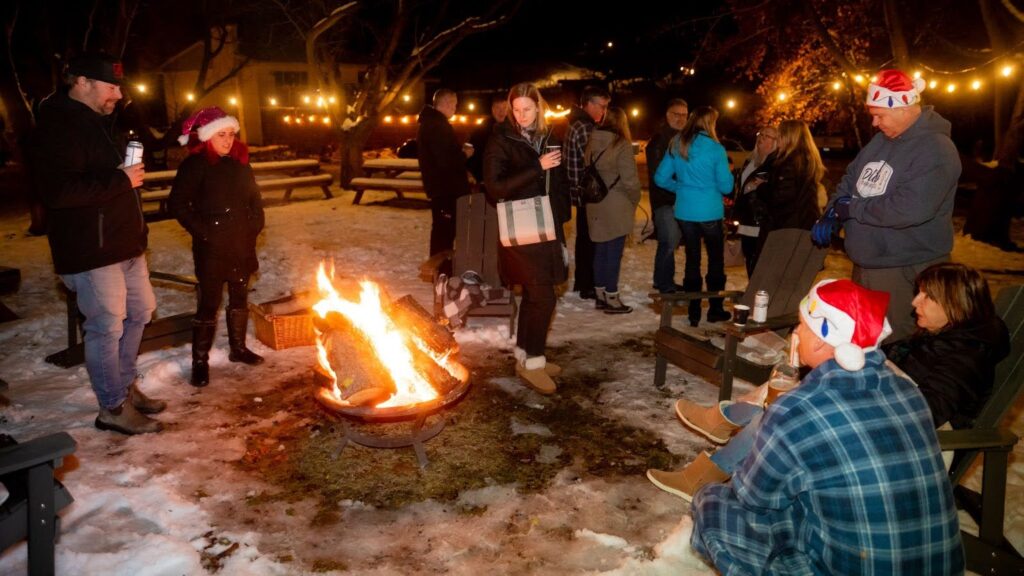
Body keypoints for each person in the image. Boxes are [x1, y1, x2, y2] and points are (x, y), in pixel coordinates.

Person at [649, 263, 1009, 500]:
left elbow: (926, 411)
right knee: (789, 394)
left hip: (912, 441)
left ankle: (712, 454)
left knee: (784, 414)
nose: (915, 302)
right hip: (886, 411)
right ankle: (723, 428)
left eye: (927, 296)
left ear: (955, 304)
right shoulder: (943, 335)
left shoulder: (967, 354)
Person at [688, 279, 964, 573]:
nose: (796, 332)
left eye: (801, 325)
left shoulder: (797, 408)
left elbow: (753, 499)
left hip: (852, 567)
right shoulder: (907, 390)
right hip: (941, 566)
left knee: (712, 502)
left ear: (820, 339)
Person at [30, 52, 164, 435]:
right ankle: (113, 408)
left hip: (124, 243)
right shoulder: (57, 127)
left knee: (141, 312)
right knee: (106, 326)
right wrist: (121, 180)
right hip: (92, 250)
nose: (119, 95)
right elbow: (58, 192)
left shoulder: (100, 122)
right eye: (111, 86)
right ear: (82, 82)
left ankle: (124, 386)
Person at [812, 69, 961, 342]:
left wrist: (853, 209)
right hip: (868, 264)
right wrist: (833, 210)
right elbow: (850, 179)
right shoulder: (881, 141)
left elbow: (910, 208)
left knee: (894, 342)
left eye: (879, 115)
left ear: (904, 107)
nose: (874, 123)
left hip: (905, 268)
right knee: (864, 340)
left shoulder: (936, 149)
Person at [169, 107, 266, 388]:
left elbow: (255, 199)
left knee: (239, 296)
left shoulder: (240, 163)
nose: (228, 140)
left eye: (231, 134)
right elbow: (177, 204)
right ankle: (200, 361)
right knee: (209, 303)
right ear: (207, 136)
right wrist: (205, 231)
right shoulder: (195, 165)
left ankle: (238, 349)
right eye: (221, 134)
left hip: (241, 243)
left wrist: (255, 224)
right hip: (212, 247)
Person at [483, 83, 571, 395]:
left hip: (546, 227)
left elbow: (557, 182)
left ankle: (526, 355)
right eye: (516, 109)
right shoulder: (501, 140)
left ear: (538, 107)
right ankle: (533, 363)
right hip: (521, 230)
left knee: (537, 296)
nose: (521, 116)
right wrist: (537, 167)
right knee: (543, 297)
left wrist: (561, 219)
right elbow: (494, 188)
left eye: (527, 109)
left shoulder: (548, 136)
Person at [653, 106, 733, 326]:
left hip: (685, 211)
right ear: (710, 123)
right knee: (715, 260)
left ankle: (694, 311)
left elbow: (660, 178)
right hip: (709, 211)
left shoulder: (677, 143)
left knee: (692, 259)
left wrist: (680, 187)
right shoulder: (715, 148)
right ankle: (715, 309)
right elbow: (726, 187)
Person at [585, 107, 641, 314]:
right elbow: (630, 181)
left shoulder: (592, 140)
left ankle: (600, 295)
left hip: (595, 202)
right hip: (616, 204)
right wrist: (634, 200)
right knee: (613, 253)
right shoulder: (621, 145)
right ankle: (612, 297)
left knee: (600, 251)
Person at [417, 88, 472, 271]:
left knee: (444, 230)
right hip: (446, 189)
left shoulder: (432, 123)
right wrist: (464, 154)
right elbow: (445, 160)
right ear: (446, 103)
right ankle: (441, 271)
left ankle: (442, 270)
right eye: (454, 104)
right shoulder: (437, 125)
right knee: (444, 233)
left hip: (442, 188)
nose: (455, 108)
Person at [565, 86, 611, 300]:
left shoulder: (577, 123)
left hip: (580, 191)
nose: (604, 110)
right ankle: (587, 284)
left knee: (585, 237)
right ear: (589, 104)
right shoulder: (585, 127)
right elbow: (595, 161)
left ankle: (583, 282)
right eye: (602, 106)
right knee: (589, 239)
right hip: (588, 192)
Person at [753, 119, 823, 255]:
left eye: (780, 135)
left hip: (787, 227)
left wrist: (762, 187)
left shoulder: (790, 163)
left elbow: (781, 196)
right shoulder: (806, 159)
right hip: (801, 223)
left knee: (776, 265)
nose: (778, 139)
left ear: (788, 137)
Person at [647, 99, 688, 293]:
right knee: (669, 241)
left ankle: (663, 280)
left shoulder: (683, 139)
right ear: (667, 115)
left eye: (684, 115)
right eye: (676, 114)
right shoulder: (660, 140)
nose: (680, 119)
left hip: (677, 200)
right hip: (665, 200)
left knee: (670, 241)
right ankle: (664, 283)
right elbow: (658, 174)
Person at [730, 125, 777, 278]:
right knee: (750, 262)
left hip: (760, 222)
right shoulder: (750, 161)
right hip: (746, 219)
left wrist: (755, 186)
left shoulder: (774, 164)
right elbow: (744, 188)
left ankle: (759, 292)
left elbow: (767, 191)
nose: (761, 138)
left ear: (776, 141)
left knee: (759, 265)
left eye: (766, 136)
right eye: (760, 134)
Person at [467, 95, 509, 185]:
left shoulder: (514, 127)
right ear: (492, 109)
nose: (501, 111)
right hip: (487, 177)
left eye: (504, 107)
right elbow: (474, 151)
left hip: (508, 178)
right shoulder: (482, 128)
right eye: (497, 108)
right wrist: (475, 175)